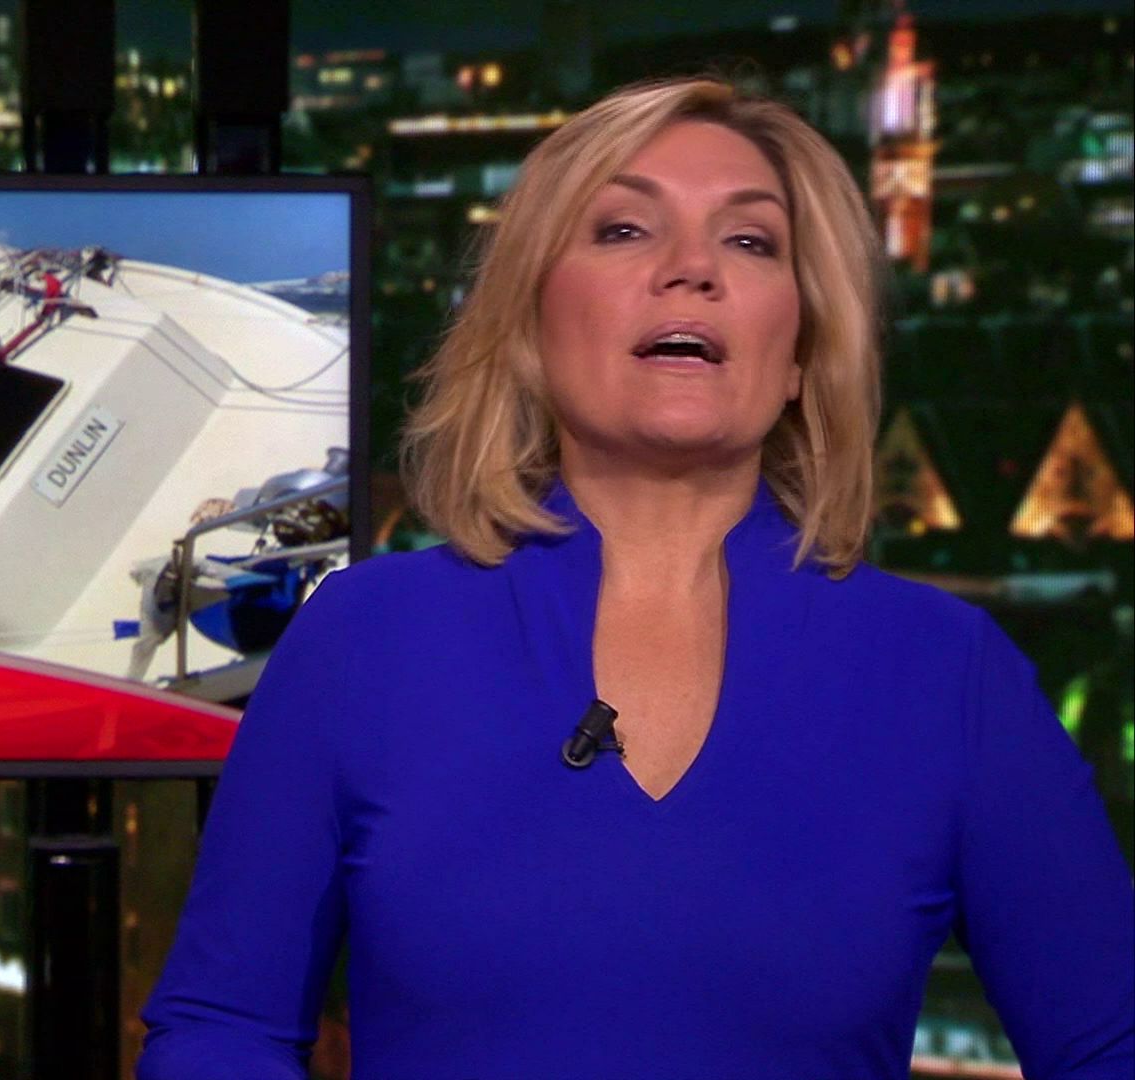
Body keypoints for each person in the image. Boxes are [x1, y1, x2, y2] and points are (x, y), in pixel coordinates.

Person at [138, 78, 1133, 1079]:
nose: (692, 269)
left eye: (750, 241)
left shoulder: (945, 673)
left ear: (801, 352)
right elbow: (222, 1028)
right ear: (529, 325)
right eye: (623, 230)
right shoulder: (363, 639)